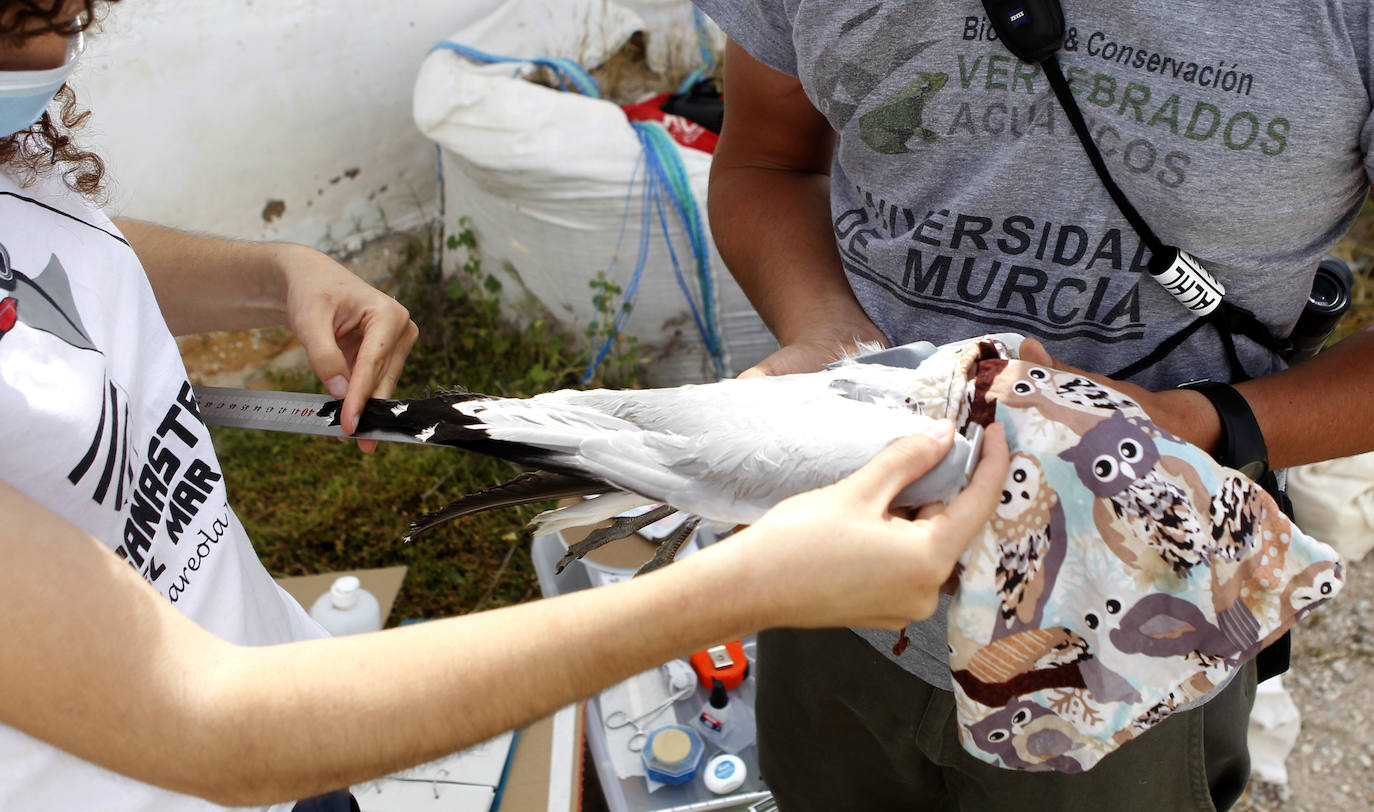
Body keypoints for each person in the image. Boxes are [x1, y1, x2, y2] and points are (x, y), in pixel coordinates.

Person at [0, 2, 1012, 809]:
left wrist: (271, 273)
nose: (55, 52)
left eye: (65, 18)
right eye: (15, 28)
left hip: (288, 719)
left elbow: (43, 231)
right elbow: (215, 730)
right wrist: (739, 590)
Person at [690, 1, 1374, 810]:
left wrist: (1202, 419)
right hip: (835, 586)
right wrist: (826, 335)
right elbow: (767, 163)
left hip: (1135, 616)